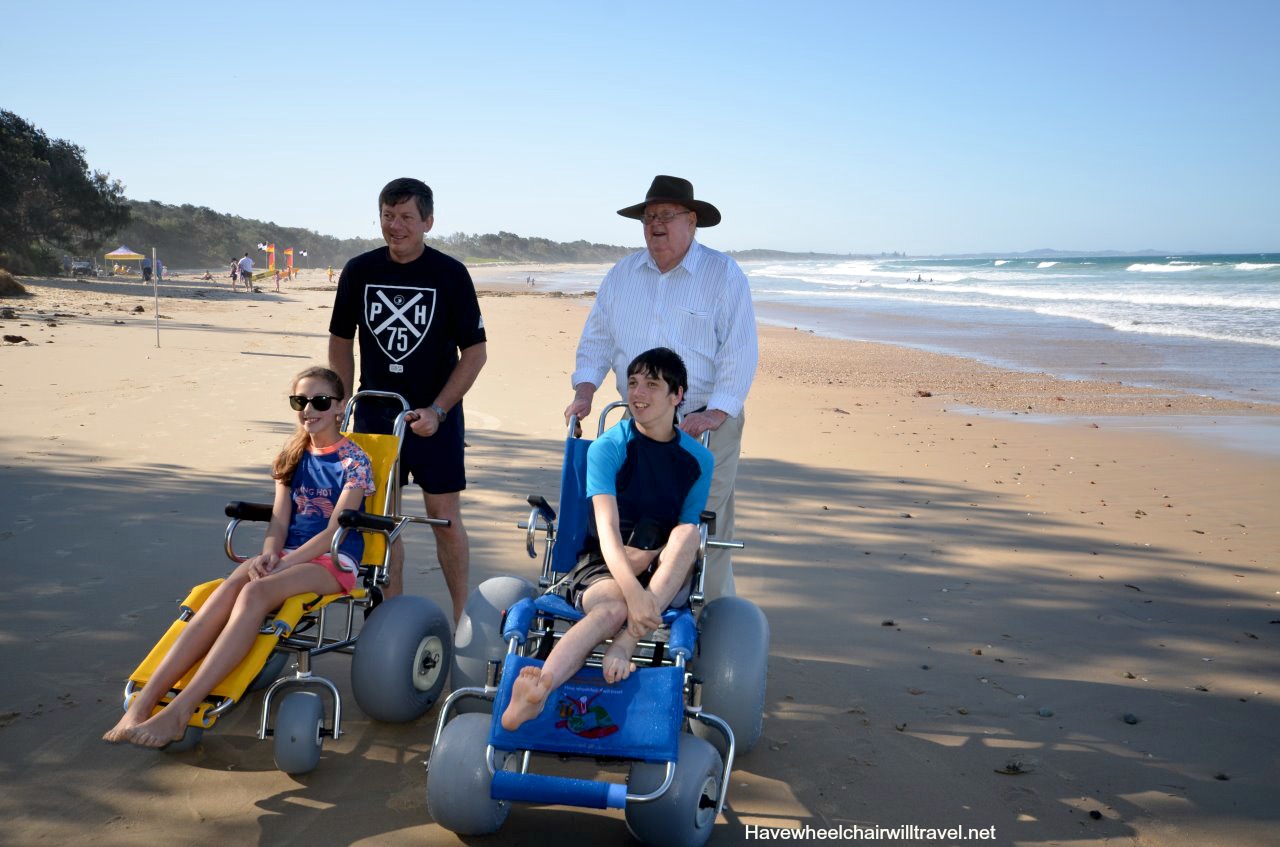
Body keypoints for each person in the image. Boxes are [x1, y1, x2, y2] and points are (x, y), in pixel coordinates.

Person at [103, 366, 374, 748]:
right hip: (286, 554)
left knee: (254, 593)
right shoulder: (292, 454)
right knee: (224, 592)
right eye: (300, 401)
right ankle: (143, 704)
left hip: (332, 558)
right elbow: (279, 521)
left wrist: (284, 563)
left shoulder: (354, 460)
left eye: (320, 401)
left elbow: (333, 532)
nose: (309, 409)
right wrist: (269, 554)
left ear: (339, 406)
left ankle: (181, 711)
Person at [566, 175, 757, 601]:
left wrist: (716, 413)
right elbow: (597, 339)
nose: (656, 224)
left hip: (704, 422)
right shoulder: (623, 274)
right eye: (649, 216)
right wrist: (585, 390)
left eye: (667, 215)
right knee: (633, 518)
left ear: (692, 221)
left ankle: (708, 614)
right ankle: (627, 602)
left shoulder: (722, 274)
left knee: (701, 526)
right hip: (638, 421)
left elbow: (740, 350)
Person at [502, 348, 713, 731]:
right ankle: (540, 688)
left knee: (687, 534)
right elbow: (607, 532)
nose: (638, 393)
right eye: (633, 383)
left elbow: (684, 532)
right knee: (613, 608)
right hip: (604, 563)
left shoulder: (698, 460)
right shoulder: (609, 447)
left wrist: (647, 563)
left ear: (677, 395)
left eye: (652, 384)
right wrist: (633, 592)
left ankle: (627, 642)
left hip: (664, 568)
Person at [328, 177, 487, 621]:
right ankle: (388, 620)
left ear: (428, 222)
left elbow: (475, 353)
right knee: (380, 521)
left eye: (406, 217)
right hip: (375, 415)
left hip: (435, 416)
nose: (395, 226)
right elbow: (340, 341)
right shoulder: (359, 270)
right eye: (387, 216)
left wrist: (439, 409)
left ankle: (462, 618)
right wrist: (341, 401)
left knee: (445, 519)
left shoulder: (450, 274)